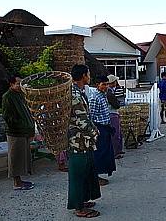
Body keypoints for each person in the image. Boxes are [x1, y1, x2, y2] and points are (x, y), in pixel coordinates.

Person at [67, 64, 101, 218]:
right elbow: (81, 120)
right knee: (78, 174)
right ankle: (79, 208)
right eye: (88, 74)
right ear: (82, 76)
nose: (90, 76)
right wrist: (95, 131)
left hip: (83, 141)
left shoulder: (78, 92)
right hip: (78, 141)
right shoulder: (75, 95)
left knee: (85, 172)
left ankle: (82, 200)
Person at [2, 74, 35, 191]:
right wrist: (23, 124)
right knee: (15, 157)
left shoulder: (19, 96)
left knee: (21, 156)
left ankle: (20, 180)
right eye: (18, 83)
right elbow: (8, 117)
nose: (21, 86)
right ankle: (16, 182)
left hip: (23, 132)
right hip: (15, 133)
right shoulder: (7, 97)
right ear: (11, 84)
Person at [89, 75, 116, 186]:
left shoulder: (103, 96)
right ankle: (95, 177)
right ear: (97, 85)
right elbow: (91, 116)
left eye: (107, 84)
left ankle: (99, 174)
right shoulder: (95, 97)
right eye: (103, 84)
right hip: (98, 128)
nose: (106, 86)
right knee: (98, 154)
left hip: (105, 127)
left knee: (105, 154)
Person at [107, 74, 125, 159]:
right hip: (112, 113)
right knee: (115, 134)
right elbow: (116, 105)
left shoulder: (109, 91)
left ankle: (118, 149)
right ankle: (115, 152)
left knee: (117, 133)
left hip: (111, 113)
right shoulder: (109, 93)